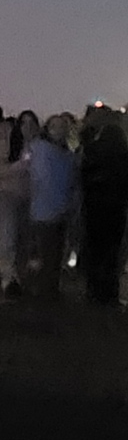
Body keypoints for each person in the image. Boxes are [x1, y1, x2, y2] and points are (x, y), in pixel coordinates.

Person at [78, 106, 128, 305]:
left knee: (95, 249)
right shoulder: (124, 155)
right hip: (116, 209)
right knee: (112, 252)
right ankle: (110, 292)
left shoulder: (92, 152)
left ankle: (93, 290)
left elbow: (83, 178)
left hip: (93, 209)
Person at [0, 112, 39, 298]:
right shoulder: (6, 141)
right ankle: (8, 279)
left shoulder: (38, 145)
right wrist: (20, 165)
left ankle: (20, 278)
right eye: (24, 123)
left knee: (24, 241)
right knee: (8, 238)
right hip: (8, 194)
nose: (28, 127)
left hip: (29, 197)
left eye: (32, 124)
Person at [26, 115, 79, 300]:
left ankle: (51, 288)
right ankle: (44, 290)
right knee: (47, 253)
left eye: (62, 126)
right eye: (55, 126)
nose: (59, 130)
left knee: (57, 253)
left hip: (62, 209)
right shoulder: (39, 149)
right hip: (44, 210)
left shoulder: (67, 153)